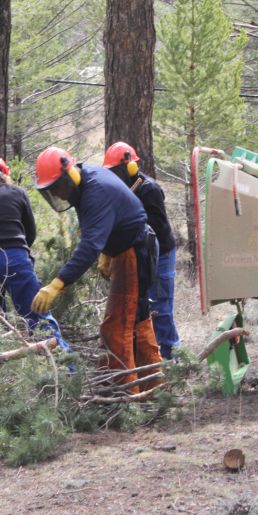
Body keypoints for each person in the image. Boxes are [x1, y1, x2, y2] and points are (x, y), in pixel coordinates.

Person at [30, 147, 162, 393]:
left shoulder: (94, 191)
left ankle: (126, 394)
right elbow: (109, 221)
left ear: (70, 176)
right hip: (128, 248)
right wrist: (107, 253)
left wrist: (57, 284)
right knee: (137, 317)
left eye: (59, 186)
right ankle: (152, 386)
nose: (58, 193)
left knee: (117, 326)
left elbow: (88, 246)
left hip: (134, 252)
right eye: (52, 190)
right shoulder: (85, 183)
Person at [0, 156, 70, 353]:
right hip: (16, 256)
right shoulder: (18, 193)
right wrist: (19, 250)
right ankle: (63, 364)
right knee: (36, 312)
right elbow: (31, 232)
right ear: (5, 175)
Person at [102, 141, 180, 360]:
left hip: (161, 253)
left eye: (118, 170)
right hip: (141, 255)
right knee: (142, 307)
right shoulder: (121, 191)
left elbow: (152, 228)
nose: (115, 176)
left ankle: (172, 355)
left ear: (130, 166)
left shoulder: (149, 189)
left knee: (160, 307)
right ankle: (149, 354)